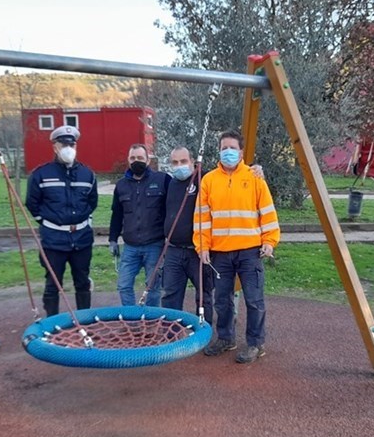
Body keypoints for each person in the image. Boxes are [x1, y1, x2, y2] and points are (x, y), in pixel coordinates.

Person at [195, 130, 280, 363]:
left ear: (241, 152)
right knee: (222, 299)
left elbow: (268, 213)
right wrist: (202, 246)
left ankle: (255, 343)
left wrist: (269, 242)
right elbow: (202, 218)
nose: (228, 152)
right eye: (224, 148)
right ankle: (225, 338)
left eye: (232, 148)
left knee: (254, 299)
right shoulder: (209, 180)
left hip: (250, 252)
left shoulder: (254, 178)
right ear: (219, 150)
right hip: (220, 253)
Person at [26, 125, 98, 315]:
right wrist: (50, 222)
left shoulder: (87, 174)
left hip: (81, 238)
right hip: (53, 239)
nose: (68, 148)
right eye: (63, 144)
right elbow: (32, 203)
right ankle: (53, 324)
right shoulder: (41, 174)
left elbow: (92, 201)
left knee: (82, 281)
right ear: (55, 147)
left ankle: (84, 321)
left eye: (71, 144)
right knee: (53, 283)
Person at [109, 144, 170, 306]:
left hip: (155, 245)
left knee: (153, 287)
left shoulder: (162, 180)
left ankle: (150, 320)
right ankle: (132, 321)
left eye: (140, 158)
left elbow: (173, 208)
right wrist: (112, 239)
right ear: (128, 161)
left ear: (148, 160)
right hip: (130, 247)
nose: (137, 161)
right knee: (123, 285)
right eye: (133, 158)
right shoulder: (121, 185)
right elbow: (116, 214)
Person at [160, 147, 214, 324]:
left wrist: (255, 168)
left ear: (193, 162)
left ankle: (203, 331)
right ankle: (171, 335)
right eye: (175, 163)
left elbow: (228, 175)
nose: (179, 166)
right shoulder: (171, 183)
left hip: (197, 251)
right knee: (170, 295)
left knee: (204, 294)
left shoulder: (204, 179)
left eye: (183, 162)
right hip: (174, 250)